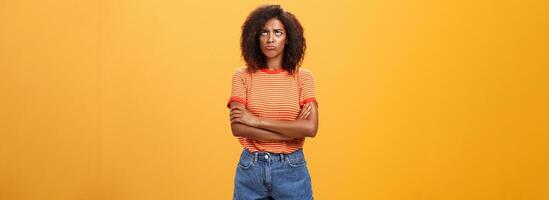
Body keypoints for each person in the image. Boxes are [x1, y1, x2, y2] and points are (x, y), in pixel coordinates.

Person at [227, 4, 319, 200]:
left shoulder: (303, 78)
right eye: (264, 33)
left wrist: (256, 121)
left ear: (287, 39)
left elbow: (310, 128)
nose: (270, 39)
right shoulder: (242, 76)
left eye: (278, 33)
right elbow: (238, 128)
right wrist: (293, 127)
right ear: (255, 37)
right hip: (251, 169)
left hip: (292, 170)